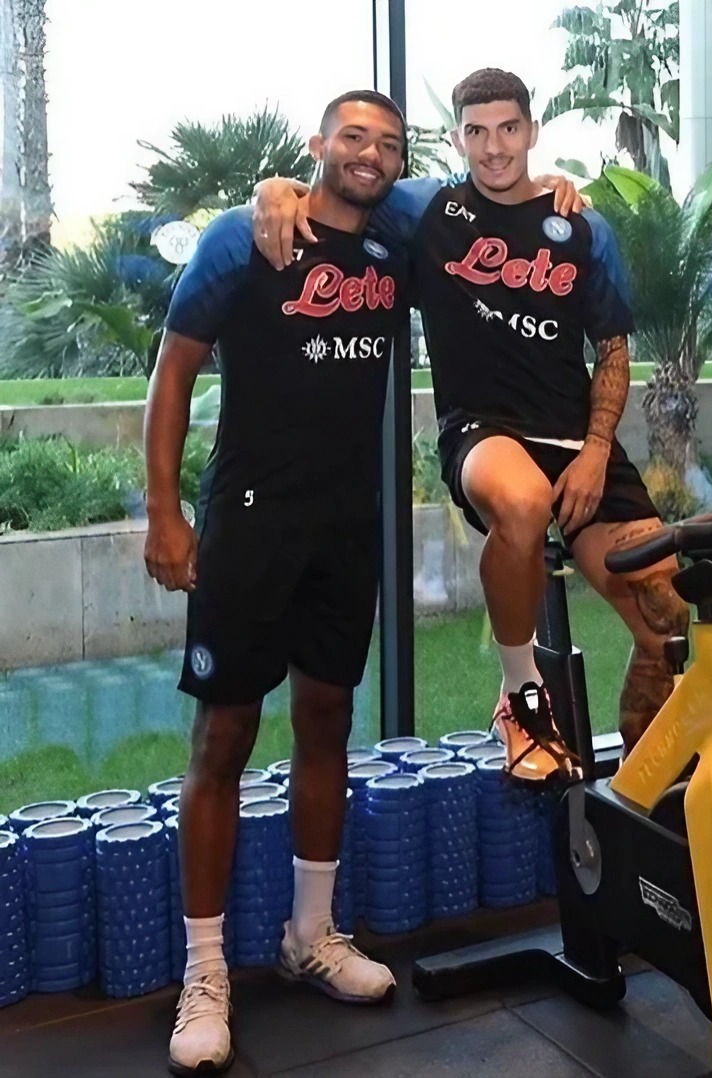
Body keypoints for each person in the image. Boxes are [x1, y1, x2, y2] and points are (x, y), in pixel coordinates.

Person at [251, 68, 685, 776]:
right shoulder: (426, 210)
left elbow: (612, 348)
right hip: (483, 431)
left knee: (666, 623)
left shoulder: (582, 225)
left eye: (508, 129)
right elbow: (335, 190)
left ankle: (645, 796)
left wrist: (598, 448)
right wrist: (273, 188)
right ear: (457, 139)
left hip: (580, 444)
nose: (493, 148)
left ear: (532, 132)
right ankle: (520, 694)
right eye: (476, 133)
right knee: (521, 502)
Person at [143, 90, 411, 1077]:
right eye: (354, 137)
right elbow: (172, 370)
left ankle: (310, 934)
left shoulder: (396, 245)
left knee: (328, 717)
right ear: (318, 146)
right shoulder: (242, 236)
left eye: (388, 143)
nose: (370, 154)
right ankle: (204, 970)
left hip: (347, 527)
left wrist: (558, 191)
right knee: (222, 734)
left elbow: (490, 210)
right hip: (250, 522)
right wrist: (165, 512)